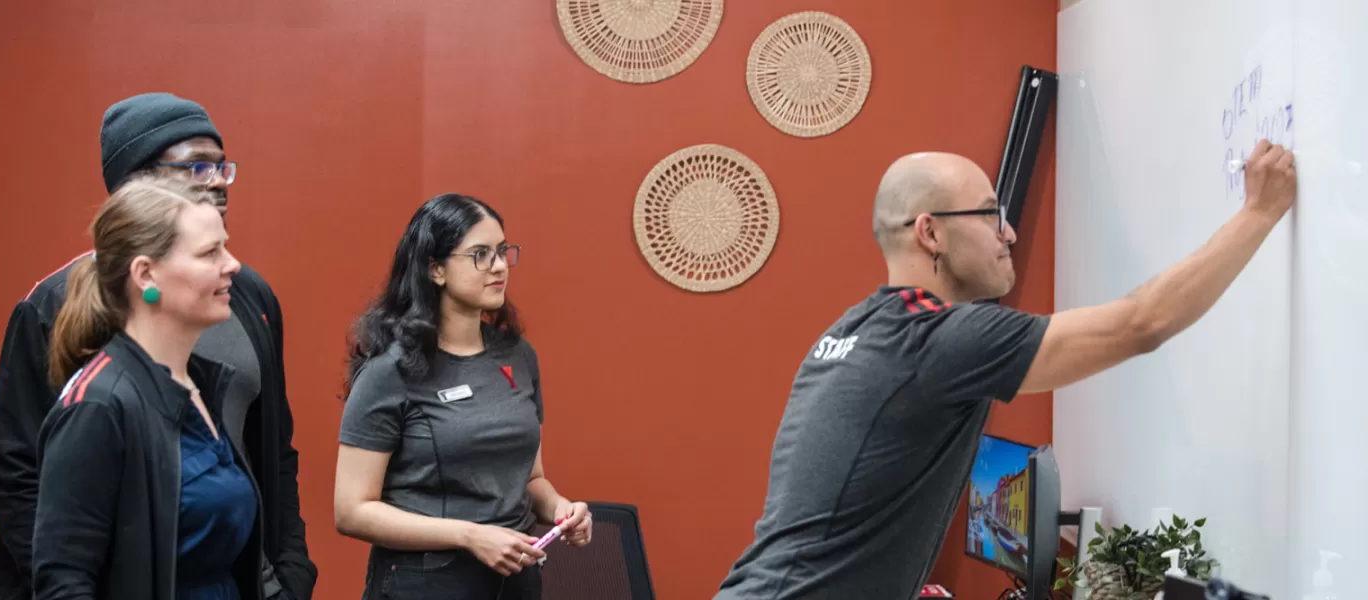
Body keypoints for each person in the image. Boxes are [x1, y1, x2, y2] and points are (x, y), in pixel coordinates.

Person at [715, 140, 1298, 600]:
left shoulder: (858, 329)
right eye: (992, 214)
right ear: (931, 231)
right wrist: (1260, 211)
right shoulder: (936, 340)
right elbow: (1140, 324)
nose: (1009, 233)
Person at [0, 93, 315, 600]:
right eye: (197, 166)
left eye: (222, 166)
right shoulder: (53, 309)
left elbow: (273, 448)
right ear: (134, 185)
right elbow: (18, 478)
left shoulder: (248, 298)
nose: (218, 182)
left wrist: (290, 571)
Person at [333, 193, 593, 600]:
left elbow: (531, 479)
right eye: (480, 254)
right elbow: (351, 511)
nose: (500, 266)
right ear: (435, 269)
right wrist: (470, 536)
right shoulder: (391, 371)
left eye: (503, 251)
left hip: (516, 581)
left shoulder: (518, 355)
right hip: (427, 583)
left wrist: (560, 508)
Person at [33, 175, 258, 599]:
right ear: (146, 274)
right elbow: (64, 585)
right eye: (211, 252)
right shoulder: (98, 406)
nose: (233, 264)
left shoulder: (200, 385)